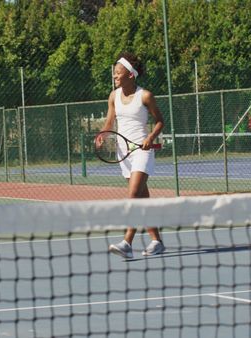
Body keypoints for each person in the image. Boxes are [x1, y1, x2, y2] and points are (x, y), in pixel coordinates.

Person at [98, 52, 165, 259]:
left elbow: (160, 121)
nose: (115, 76)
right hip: (123, 153)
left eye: (119, 73)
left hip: (143, 152)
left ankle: (127, 242)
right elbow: (110, 122)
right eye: (115, 73)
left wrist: (151, 136)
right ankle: (157, 241)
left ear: (131, 75)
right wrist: (102, 134)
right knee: (142, 198)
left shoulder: (145, 96)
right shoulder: (113, 96)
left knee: (134, 194)